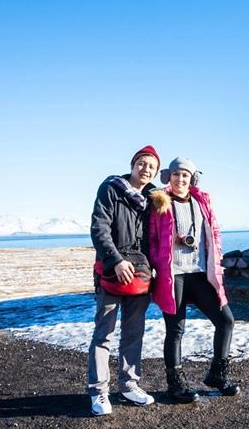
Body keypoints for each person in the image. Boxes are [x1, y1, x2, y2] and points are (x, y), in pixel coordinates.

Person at [148, 157, 240, 403]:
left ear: (192, 178)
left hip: (199, 273)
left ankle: (217, 375)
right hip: (173, 276)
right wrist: (160, 261)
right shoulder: (159, 202)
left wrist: (216, 260)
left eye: (185, 175)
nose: (180, 179)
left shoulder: (202, 201)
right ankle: (176, 385)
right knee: (176, 330)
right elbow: (152, 239)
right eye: (176, 174)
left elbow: (214, 232)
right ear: (169, 176)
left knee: (226, 320)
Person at [86, 145, 160, 416]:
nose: (146, 169)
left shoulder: (154, 199)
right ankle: (98, 391)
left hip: (140, 275)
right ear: (132, 165)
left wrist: (155, 268)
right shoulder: (111, 189)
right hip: (111, 271)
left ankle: (129, 385)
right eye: (142, 163)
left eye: (151, 166)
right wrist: (115, 260)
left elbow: (156, 239)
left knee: (133, 332)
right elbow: (99, 228)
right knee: (104, 333)